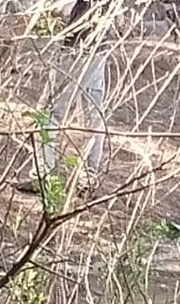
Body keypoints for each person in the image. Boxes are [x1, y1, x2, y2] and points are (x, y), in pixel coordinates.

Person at [30, 0, 110, 193]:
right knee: (93, 114)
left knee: (48, 111)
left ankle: (42, 176)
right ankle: (89, 177)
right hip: (99, 47)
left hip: (78, 50)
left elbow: (64, 8)